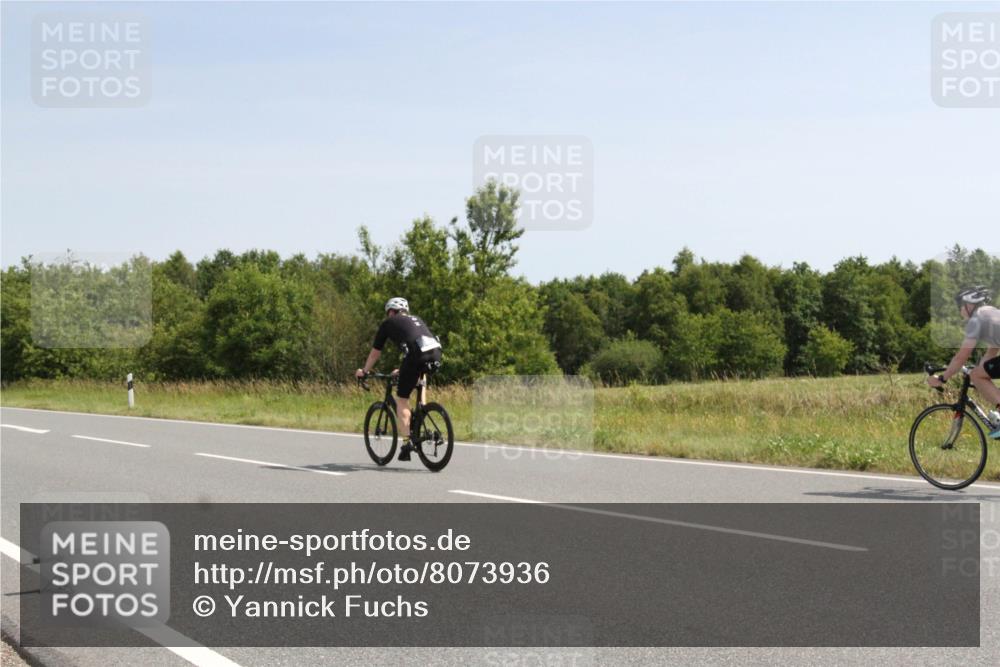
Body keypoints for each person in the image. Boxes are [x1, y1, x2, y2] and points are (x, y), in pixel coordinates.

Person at [356, 297, 442, 460]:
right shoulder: (416, 319)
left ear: (391, 311)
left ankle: (407, 442)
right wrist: (402, 370)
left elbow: (375, 353)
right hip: (435, 352)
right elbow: (414, 343)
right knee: (420, 374)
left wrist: (365, 371)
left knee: (401, 399)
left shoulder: (389, 323)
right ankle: (423, 409)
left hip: (416, 355)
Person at [927, 286, 1000, 438]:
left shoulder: (976, 319)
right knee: (979, 373)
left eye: (960, 305)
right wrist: (980, 368)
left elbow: (962, 356)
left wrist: (942, 378)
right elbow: (992, 351)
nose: (960, 310)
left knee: (976, 375)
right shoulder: (991, 313)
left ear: (970, 304)